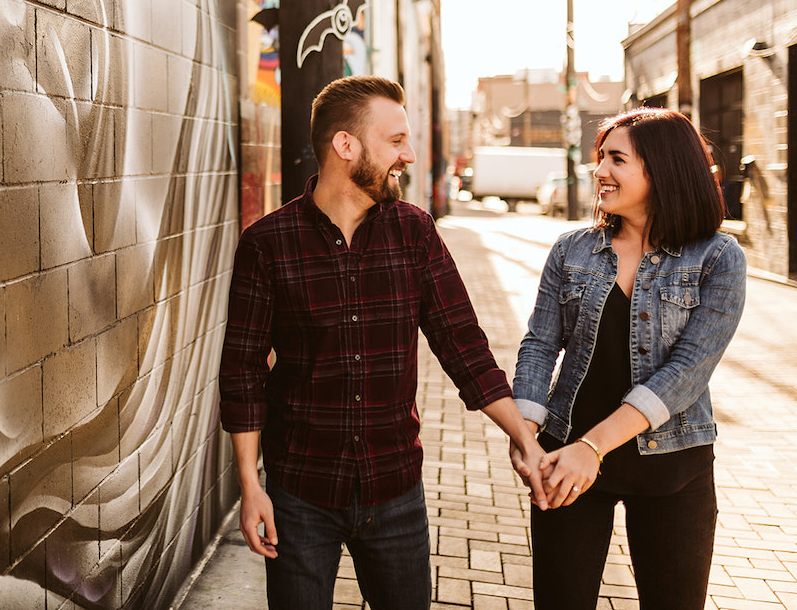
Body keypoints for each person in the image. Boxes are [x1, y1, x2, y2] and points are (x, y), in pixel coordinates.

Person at [218, 75, 547, 610]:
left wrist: (523, 438)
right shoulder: (267, 244)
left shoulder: (414, 233)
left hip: (395, 490)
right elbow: (243, 372)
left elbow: (463, 345)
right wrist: (250, 486)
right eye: (395, 141)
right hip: (299, 492)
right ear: (345, 146)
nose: (410, 155)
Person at [511, 108, 747, 609]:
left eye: (616, 159)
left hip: (671, 467)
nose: (599, 170)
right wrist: (525, 430)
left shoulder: (717, 258)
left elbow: (685, 373)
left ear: (661, 168)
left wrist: (590, 449)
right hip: (564, 461)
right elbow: (538, 344)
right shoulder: (571, 251)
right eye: (601, 158)